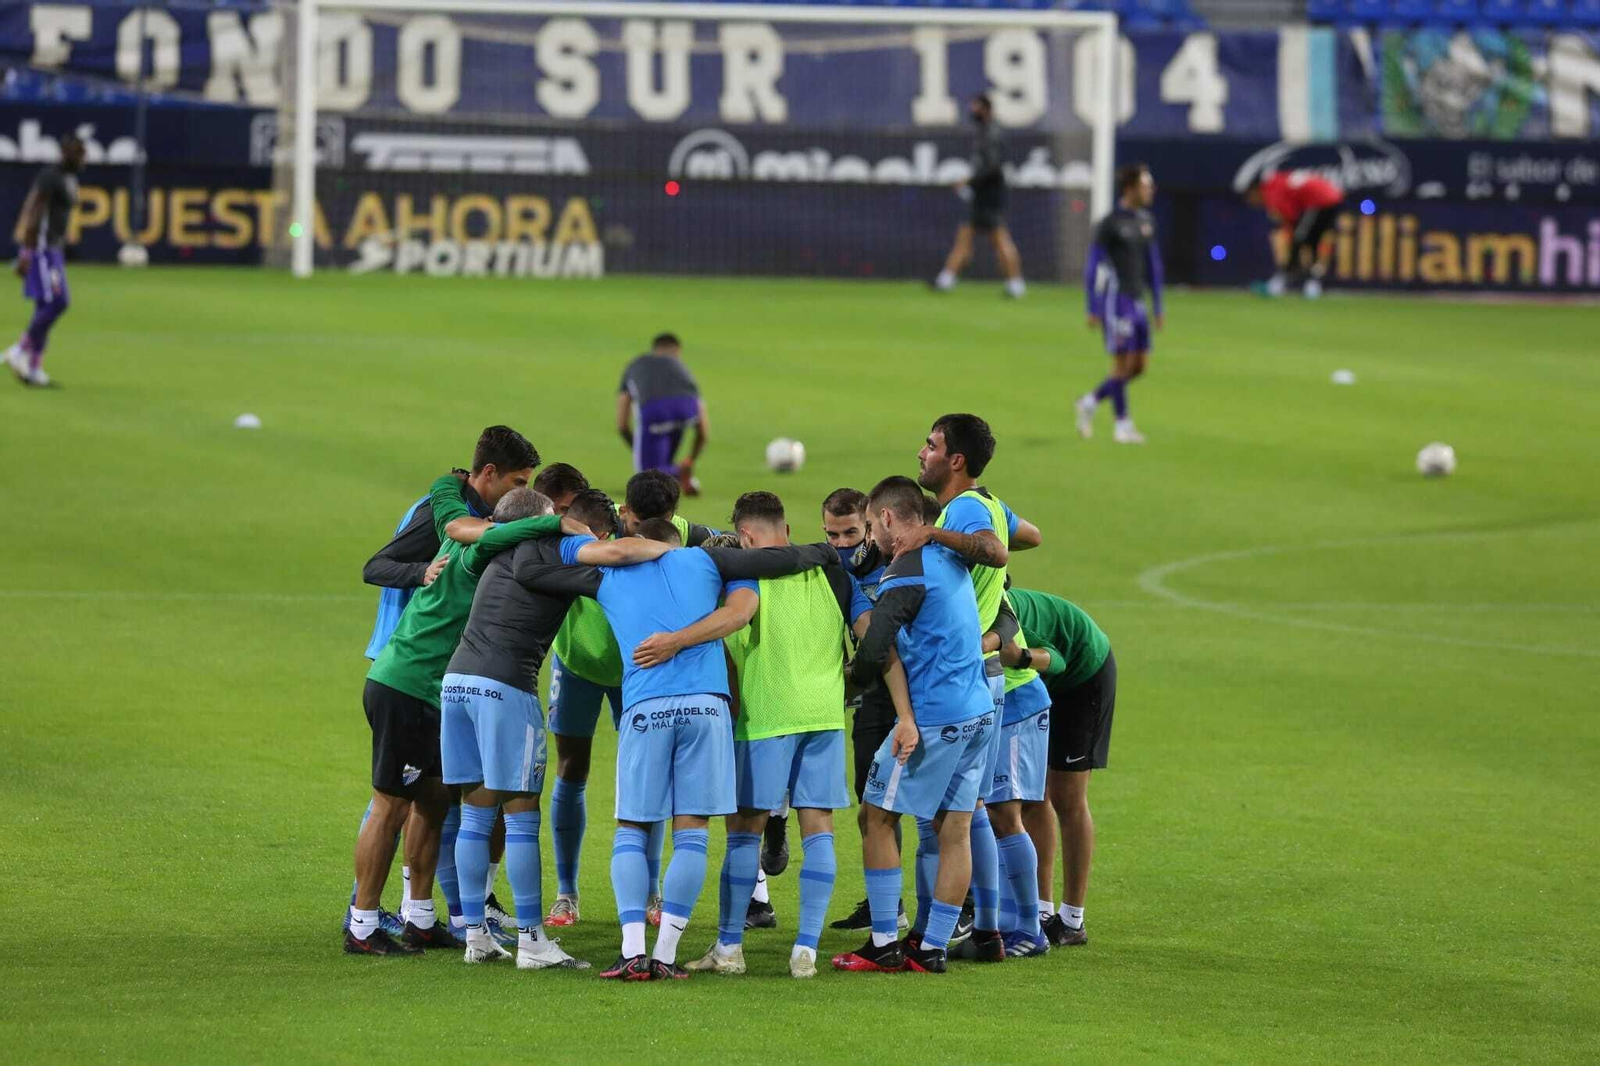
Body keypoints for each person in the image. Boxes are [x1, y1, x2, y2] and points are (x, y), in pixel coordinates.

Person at [521, 518, 841, 980]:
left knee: (632, 830)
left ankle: (633, 952)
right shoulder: (708, 560)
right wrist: (825, 551)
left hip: (646, 706)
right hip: (708, 708)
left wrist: (567, 539)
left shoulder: (605, 575)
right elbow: (774, 564)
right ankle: (667, 955)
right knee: (691, 833)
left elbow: (534, 570)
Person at [441, 487, 671, 969]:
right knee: (522, 817)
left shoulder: (498, 547)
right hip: (505, 686)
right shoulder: (553, 544)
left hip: (458, 681)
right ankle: (531, 941)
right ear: (545, 520)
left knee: (477, 813)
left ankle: (475, 937)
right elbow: (619, 552)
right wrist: (680, 556)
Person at [347, 465, 559, 957]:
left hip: (434, 690)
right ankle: (361, 923)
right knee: (391, 805)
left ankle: (420, 917)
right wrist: (558, 525)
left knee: (435, 799)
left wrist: (450, 480)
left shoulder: (457, 516)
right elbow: (508, 528)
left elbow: (444, 493)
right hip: (404, 684)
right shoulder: (477, 551)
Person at [671, 492, 873, 979]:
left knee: (743, 833)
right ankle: (805, 951)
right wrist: (851, 678)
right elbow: (870, 631)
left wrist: (676, 641)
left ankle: (729, 949)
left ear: (744, 536)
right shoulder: (835, 574)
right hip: (824, 715)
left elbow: (735, 624)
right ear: (785, 528)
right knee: (819, 827)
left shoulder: (746, 572)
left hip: (765, 717)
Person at [544, 467, 717, 930]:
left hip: (638, 667)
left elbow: (721, 542)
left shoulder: (681, 534)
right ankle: (566, 893)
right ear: (623, 514)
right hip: (578, 658)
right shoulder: (592, 534)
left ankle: (652, 892)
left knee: (652, 775)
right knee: (571, 767)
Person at [833, 476, 992, 976]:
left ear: (884, 518)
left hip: (936, 718)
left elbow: (874, 651)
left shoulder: (905, 570)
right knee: (955, 829)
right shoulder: (950, 557)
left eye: (870, 530)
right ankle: (933, 949)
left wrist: (842, 685)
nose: (871, 544)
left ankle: (883, 942)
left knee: (875, 815)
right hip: (979, 711)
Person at [903, 413, 1043, 964]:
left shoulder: (961, 510)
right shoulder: (988, 503)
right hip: (985, 678)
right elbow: (1028, 534)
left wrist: (934, 534)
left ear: (955, 460)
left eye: (932, 445)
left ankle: (993, 928)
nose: (922, 452)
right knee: (973, 808)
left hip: (964, 677)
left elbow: (999, 551)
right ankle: (994, 929)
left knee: (962, 813)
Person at [819, 488, 912, 934]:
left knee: (944, 812)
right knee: (872, 804)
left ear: (871, 527)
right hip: (874, 696)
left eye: (851, 532)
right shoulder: (832, 571)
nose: (841, 544)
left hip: (922, 690)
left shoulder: (901, 560)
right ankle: (887, 905)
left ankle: (963, 909)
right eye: (832, 534)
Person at [1001, 587, 1115, 948]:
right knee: (1034, 796)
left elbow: (1058, 659)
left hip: (1082, 676)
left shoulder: (1004, 614)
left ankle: (1072, 919)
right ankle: (1041, 910)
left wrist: (1017, 656)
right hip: (1038, 688)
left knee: (1068, 798)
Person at [1075, 164, 1165, 446]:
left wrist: (1158, 305)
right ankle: (1121, 425)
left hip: (1137, 301)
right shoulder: (1110, 223)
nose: (1151, 190)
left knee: (1138, 367)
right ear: (1130, 188)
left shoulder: (1145, 221)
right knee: (1121, 364)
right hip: (1116, 300)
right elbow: (1092, 265)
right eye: (1146, 185)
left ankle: (1090, 401)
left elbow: (1154, 265)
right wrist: (1092, 305)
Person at [6, 133, 83, 387]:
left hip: (54, 249)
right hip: (42, 249)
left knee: (44, 307)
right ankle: (18, 351)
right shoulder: (50, 177)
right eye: (78, 153)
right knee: (59, 301)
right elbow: (34, 212)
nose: (83, 159)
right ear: (65, 153)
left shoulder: (69, 179)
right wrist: (26, 253)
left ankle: (34, 368)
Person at [932, 94, 1026, 300]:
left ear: (986, 109)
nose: (973, 111)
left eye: (976, 107)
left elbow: (992, 167)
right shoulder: (985, 132)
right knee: (965, 236)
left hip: (989, 195)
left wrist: (968, 180)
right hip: (982, 194)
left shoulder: (992, 133)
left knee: (999, 239)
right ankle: (946, 279)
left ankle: (1016, 283)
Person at [617, 333, 709, 493]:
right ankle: (678, 474)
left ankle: (678, 473)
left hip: (655, 410)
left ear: (655, 349)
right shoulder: (682, 369)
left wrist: (637, 447)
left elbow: (622, 424)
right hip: (685, 409)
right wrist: (691, 459)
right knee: (661, 468)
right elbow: (703, 430)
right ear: (677, 351)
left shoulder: (635, 365)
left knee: (646, 479)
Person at [1246, 168, 1344, 299]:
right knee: (1311, 241)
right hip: (1333, 199)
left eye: (1251, 197)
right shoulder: (1280, 180)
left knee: (1299, 239)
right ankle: (1312, 283)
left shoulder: (1271, 190)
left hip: (1321, 201)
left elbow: (1290, 215)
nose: (1253, 202)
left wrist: (1288, 226)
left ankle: (1282, 281)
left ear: (1256, 190)